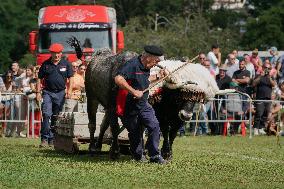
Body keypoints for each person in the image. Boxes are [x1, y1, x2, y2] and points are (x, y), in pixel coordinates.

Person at [114, 45, 168, 164]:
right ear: (148, 58)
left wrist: (159, 77)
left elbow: (144, 81)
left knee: (154, 126)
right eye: (156, 61)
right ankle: (138, 156)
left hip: (143, 104)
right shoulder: (132, 65)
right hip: (129, 106)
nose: (156, 64)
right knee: (135, 132)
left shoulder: (147, 66)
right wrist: (133, 91)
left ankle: (154, 155)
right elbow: (118, 79)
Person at [38, 43, 73, 147]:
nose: (56, 55)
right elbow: (39, 78)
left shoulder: (66, 64)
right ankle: (44, 138)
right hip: (48, 92)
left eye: (58, 53)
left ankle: (52, 139)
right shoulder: (45, 64)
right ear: (51, 53)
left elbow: (70, 78)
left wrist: (69, 91)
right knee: (46, 114)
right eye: (54, 53)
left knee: (55, 116)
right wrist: (37, 92)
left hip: (61, 93)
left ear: (61, 53)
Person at [252, 63, 276, 135]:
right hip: (260, 97)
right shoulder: (258, 76)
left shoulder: (271, 77)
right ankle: (256, 128)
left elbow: (274, 84)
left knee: (265, 113)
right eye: (265, 67)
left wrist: (269, 77)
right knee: (259, 113)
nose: (267, 69)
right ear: (262, 68)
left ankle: (261, 128)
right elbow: (253, 84)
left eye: (268, 68)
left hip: (268, 98)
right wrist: (261, 76)